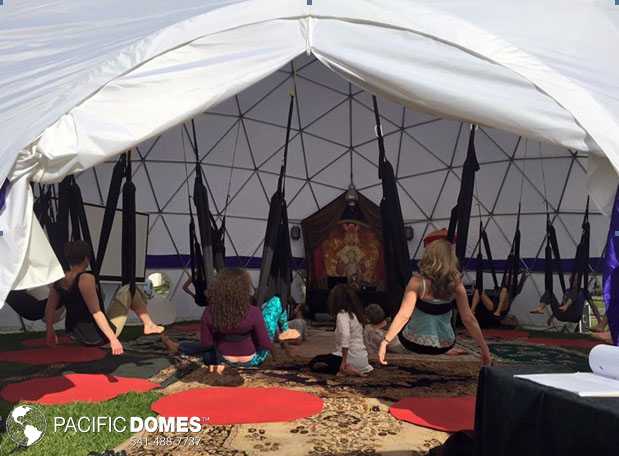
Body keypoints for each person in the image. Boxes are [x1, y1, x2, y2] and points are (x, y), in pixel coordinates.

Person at [379, 237, 492, 366]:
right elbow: (468, 319)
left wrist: (385, 341)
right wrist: (484, 349)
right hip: (445, 345)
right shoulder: (456, 285)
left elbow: (404, 315)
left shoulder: (416, 283)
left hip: (413, 343)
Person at [162, 268, 299, 371]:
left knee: (213, 343)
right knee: (275, 302)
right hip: (253, 360)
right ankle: (285, 335)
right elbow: (264, 343)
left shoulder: (210, 312)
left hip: (224, 360)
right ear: (244, 288)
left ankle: (180, 346)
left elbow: (206, 344)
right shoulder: (253, 312)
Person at [45, 240, 165, 354]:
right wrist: (113, 339)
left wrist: (49, 330)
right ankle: (148, 324)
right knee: (130, 290)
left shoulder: (59, 279)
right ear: (87, 259)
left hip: (74, 335)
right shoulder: (85, 278)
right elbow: (95, 312)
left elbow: (50, 308)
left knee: (125, 293)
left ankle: (148, 323)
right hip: (95, 336)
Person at [308, 284, 373, 376]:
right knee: (324, 360)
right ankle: (352, 369)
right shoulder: (356, 315)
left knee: (314, 362)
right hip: (362, 360)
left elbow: (345, 336)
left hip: (349, 359)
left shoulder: (342, 315)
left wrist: (344, 361)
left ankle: (345, 370)